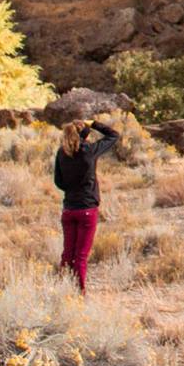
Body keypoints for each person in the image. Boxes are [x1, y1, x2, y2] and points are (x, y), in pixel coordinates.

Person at [53, 117, 119, 292]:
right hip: (87, 209)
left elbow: (58, 182)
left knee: (67, 254)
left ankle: (63, 290)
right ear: (84, 134)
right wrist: (94, 123)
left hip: (69, 209)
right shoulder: (89, 151)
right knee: (81, 256)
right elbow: (113, 135)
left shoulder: (61, 153)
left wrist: (71, 187)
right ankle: (80, 293)